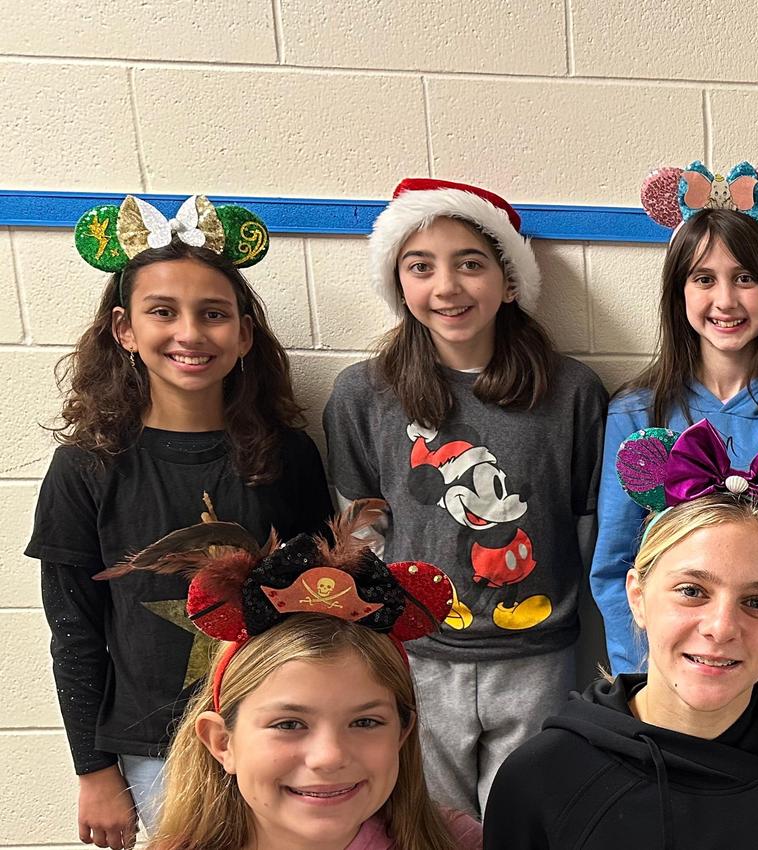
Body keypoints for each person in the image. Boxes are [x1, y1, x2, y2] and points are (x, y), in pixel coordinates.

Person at [33, 195, 333, 849]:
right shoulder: (84, 469)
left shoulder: (289, 455)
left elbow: (319, 606)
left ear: (244, 333)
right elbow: (74, 634)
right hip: (153, 748)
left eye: (214, 314)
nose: (190, 333)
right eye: (163, 312)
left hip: (282, 732)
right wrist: (94, 771)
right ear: (125, 329)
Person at [322, 178, 607, 817]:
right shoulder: (362, 395)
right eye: (420, 267)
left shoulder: (574, 393)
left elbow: (590, 529)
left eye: (470, 264)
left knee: (525, 819)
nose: (446, 287)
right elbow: (360, 533)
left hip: (539, 657)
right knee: (434, 824)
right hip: (416, 655)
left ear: (509, 282)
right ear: (399, 283)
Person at [484, 420, 758, 848]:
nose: (721, 628)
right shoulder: (541, 780)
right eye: (692, 591)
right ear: (637, 598)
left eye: (757, 602)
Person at [593, 161, 758, 716]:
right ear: (678, 292)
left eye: (745, 278)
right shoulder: (636, 414)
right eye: (704, 279)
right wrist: (644, 687)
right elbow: (618, 567)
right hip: (670, 683)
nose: (726, 300)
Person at [109, 500, 481, 850]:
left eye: (366, 721)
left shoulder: (462, 841)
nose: (328, 757)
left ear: (402, 732)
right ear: (222, 742)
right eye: (289, 724)